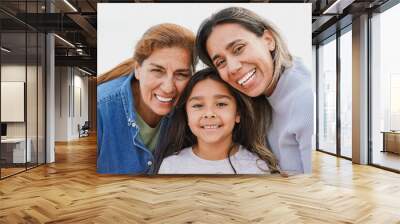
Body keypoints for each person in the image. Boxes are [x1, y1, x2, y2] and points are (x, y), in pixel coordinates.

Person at [196, 7, 314, 174]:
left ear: (268, 40)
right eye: (221, 62)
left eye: (238, 49)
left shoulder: (305, 100)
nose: (233, 67)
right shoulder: (259, 99)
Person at [97, 23, 196, 174]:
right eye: (157, 71)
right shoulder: (100, 108)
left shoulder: (193, 108)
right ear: (138, 69)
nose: (168, 87)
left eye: (181, 74)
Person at [155, 68, 280, 174]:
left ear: (238, 113)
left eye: (221, 104)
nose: (209, 114)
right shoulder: (171, 167)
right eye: (198, 106)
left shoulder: (256, 168)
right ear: (186, 115)